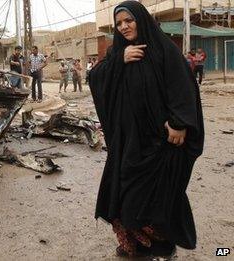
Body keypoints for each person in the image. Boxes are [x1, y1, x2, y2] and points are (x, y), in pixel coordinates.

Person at [89, 1, 204, 259]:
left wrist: (179, 122)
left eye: (129, 20)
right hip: (127, 142)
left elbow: (182, 87)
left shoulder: (163, 50)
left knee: (154, 196)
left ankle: (163, 247)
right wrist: (119, 59)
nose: (124, 26)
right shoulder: (118, 52)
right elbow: (95, 78)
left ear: (141, 19)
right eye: (119, 23)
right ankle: (135, 246)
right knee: (122, 193)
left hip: (158, 143)